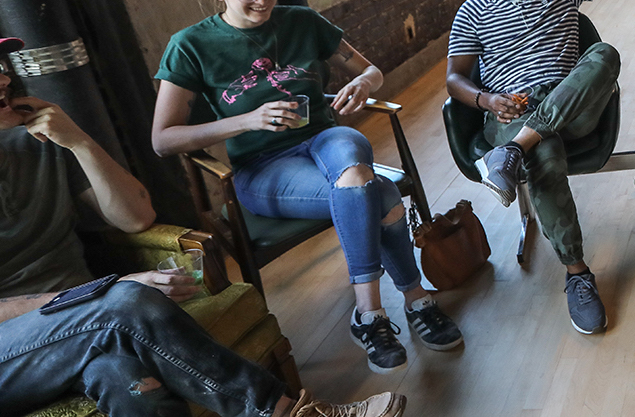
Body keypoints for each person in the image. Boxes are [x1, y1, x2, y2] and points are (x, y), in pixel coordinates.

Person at [0, 40, 405, 417]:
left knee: (124, 380)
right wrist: (101, 296)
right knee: (125, 305)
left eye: (1, 67)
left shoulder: (36, 145)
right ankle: (288, 411)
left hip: (76, 329)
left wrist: (80, 143)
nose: (3, 78)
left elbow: (135, 218)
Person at [151, 0, 462, 374]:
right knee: (383, 194)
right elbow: (163, 139)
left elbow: (371, 70)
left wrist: (362, 82)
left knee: (352, 152)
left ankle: (370, 314)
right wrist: (247, 120)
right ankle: (413, 299)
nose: (262, 1)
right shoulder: (191, 46)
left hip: (324, 140)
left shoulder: (301, 21)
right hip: (261, 168)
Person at [446, 0, 632, 335]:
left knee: (604, 54)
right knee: (543, 149)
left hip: (574, 109)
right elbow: (454, 79)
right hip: (513, 112)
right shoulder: (472, 12)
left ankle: (512, 152)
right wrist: (487, 99)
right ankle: (577, 273)